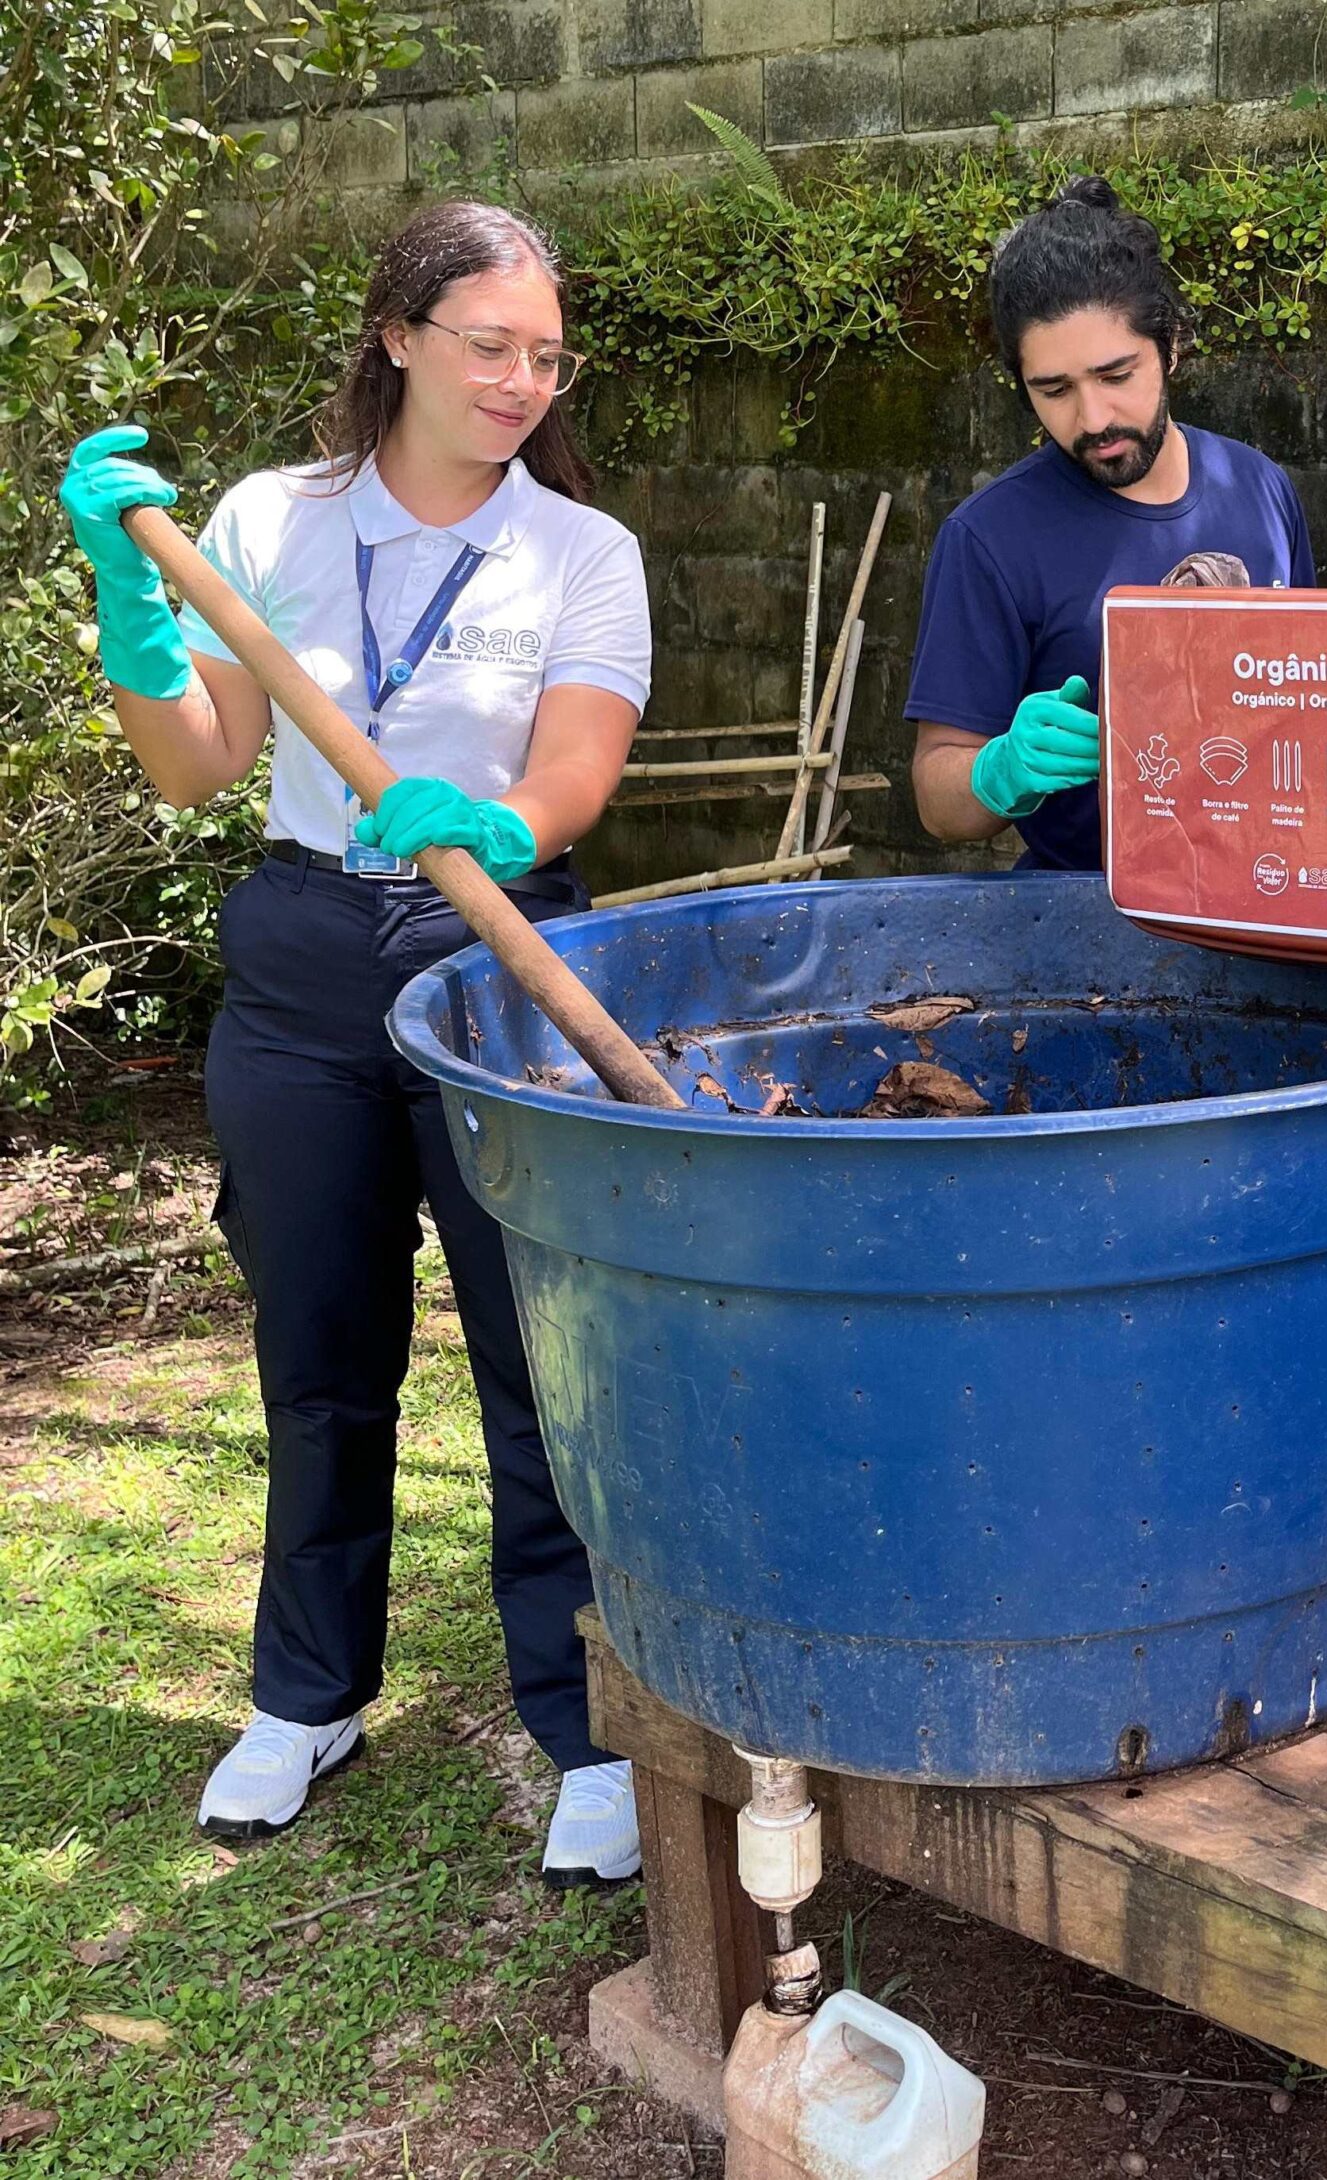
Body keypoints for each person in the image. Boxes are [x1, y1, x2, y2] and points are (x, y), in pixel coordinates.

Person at [57, 201, 652, 1884]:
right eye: (489, 344)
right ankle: (308, 1692)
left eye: (545, 354)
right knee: (319, 1355)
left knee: (540, 1366)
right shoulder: (268, 519)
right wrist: (134, 613)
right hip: (309, 947)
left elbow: (579, 771)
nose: (521, 379)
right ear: (397, 334)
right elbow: (194, 767)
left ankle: (585, 1724)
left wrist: (507, 820)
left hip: (492, 943)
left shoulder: (580, 553)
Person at [907, 176, 1316, 870]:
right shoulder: (990, 537)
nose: (1092, 419)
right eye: (1055, 390)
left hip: (1271, 886)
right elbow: (936, 797)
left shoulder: (1260, 487)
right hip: (1091, 923)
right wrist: (1000, 772)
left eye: (1116, 374)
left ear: (1173, 346)